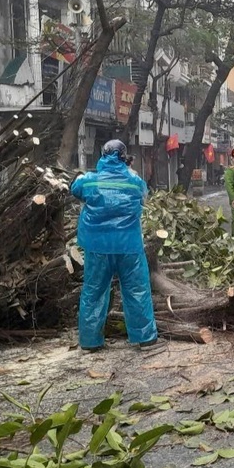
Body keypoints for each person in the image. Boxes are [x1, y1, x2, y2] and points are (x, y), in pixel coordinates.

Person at [71, 140, 158, 351]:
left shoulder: (89, 181)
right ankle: (145, 338)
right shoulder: (134, 180)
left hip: (98, 246)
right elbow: (143, 196)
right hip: (128, 245)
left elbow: (75, 190)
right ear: (124, 155)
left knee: (94, 291)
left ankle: (90, 341)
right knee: (137, 290)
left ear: (102, 153)